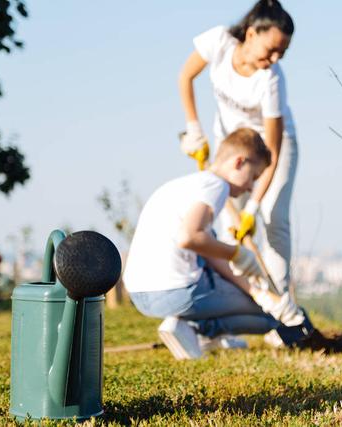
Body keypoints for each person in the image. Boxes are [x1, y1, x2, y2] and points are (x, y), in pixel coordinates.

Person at [123, 128, 309, 360]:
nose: (251, 187)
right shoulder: (216, 186)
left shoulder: (185, 185)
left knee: (260, 302)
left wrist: (256, 291)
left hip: (139, 294)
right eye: (253, 177)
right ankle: (198, 331)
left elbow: (206, 252)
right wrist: (237, 254)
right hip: (176, 291)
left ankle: (192, 327)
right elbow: (189, 237)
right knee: (269, 317)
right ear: (239, 162)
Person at [178, 0, 297, 299]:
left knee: (273, 218)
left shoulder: (271, 80)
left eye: (281, 53)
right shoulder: (219, 41)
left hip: (273, 151)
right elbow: (185, 77)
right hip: (232, 145)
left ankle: (280, 307)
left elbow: (271, 151)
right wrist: (195, 129)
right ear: (251, 33)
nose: (274, 58)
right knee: (228, 221)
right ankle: (244, 302)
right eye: (270, 49)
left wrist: (253, 207)